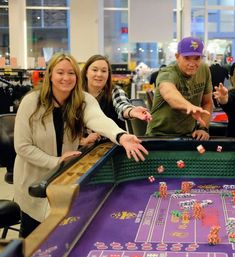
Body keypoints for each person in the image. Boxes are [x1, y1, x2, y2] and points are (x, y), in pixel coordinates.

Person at [13, 53, 149, 238]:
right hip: (34, 181)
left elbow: (98, 119)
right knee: (32, 239)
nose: (66, 78)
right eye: (60, 72)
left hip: (65, 177)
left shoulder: (83, 100)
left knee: (60, 235)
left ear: (77, 76)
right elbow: (22, 146)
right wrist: (55, 161)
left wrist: (122, 136)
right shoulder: (31, 102)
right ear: (50, 74)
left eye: (71, 73)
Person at [146, 36, 213, 140]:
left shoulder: (204, 69)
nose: (192, 64)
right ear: (177, 56)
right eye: (187, 58)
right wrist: (189, 106)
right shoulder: (167, 73)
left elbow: (207, 102)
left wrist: (203, 128)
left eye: (197, 58)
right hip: (159, 135)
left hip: (189, 135)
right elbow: (170, 94)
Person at [81, 54, 152, 145]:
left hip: (113, 146)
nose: (99, 74)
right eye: (94, 70)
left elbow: (122, 105)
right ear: (86, 72)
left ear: (108, 74)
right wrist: (83, 140)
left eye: (104, 71)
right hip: (84, 149)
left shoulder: (115, 91)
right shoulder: (77, 95)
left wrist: (131, 111)